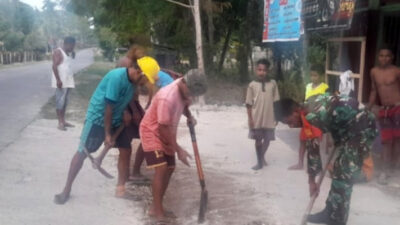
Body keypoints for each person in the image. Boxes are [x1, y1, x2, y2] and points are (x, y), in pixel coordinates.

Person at [54, 62, 149, 205]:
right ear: (137, 70)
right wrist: (107, 135)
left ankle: (120, 190)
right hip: (98, 118)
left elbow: (127, 98)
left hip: (117, 119)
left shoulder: (134, 82)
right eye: (144, 77)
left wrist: (126, 112)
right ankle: (66, 190)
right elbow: (108, 107)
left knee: (126, 150)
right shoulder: (116, 77)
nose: (145, 82)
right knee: (82, 152)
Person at [275, 94, 377, 225]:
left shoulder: (311, 118)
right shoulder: (310, 104)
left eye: (289, 121)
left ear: (295, 111)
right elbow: (333, 113)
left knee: (344, 173)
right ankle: (330, 212)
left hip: (362, 128)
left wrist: (312, 182)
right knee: (339, 170)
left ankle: (338, 219)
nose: (290, 126)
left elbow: (313, 151)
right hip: (349, 127)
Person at [140, 69, 207, 221]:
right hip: (152, 131)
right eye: (191, 93)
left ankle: (155, 208)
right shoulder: (167, 97)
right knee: (162, 168)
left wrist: (189, 116)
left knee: (170, 168)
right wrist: (178, 150)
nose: (191, 96)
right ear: (184, 82)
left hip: (168, 130)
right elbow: (161, 128)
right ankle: (157, 212)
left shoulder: (185, 91)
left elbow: (183, 105)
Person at [368, 47, 400, 185]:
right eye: (381, 55)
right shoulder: (373, 72)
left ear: (392, 57)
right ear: (378, 57)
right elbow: (374, 91)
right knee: (386, 142)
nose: (384, 58)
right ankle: (386, 171)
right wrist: (367, 108)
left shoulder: (397, 71)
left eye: (387, 56)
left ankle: (395, 168)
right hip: (384, 110)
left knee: (398, 140)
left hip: (398, 108)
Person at [289, 64, 327, 170]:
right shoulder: (308, 86)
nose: (313, 77)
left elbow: (324, 104)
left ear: (321, 76)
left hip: (317, 120)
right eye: (312, 75)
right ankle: (300, 163)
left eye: (316, 75)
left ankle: (316, 167)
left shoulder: (324, 87)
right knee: (303, 140)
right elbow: (306, 101)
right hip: (306, 119)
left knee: (314, 143)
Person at [246, 59, 280, 170]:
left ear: (268, 71)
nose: (262, 72)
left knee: (268, 139)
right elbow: (248, 104)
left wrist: (277, 116)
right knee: (258, 140)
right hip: (257, 117)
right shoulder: (252, 85)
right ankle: (259, 162)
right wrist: (250, 119)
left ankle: (261, 156)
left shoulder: (273, 84)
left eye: (264, 70)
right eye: (260, 70)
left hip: (269, 117)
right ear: (256, 70)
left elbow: (276, 101)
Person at [51, 36, 76, 131]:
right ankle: (60, 122)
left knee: (65, 102)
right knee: (60, 102)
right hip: (61, 82)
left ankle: (63, 120)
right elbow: (54, 66)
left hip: (68, 81)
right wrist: (58, 80)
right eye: (72, 46)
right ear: (67, 44)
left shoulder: (67, 53)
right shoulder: (58, 52)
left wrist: (72, 53)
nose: (73, 48)